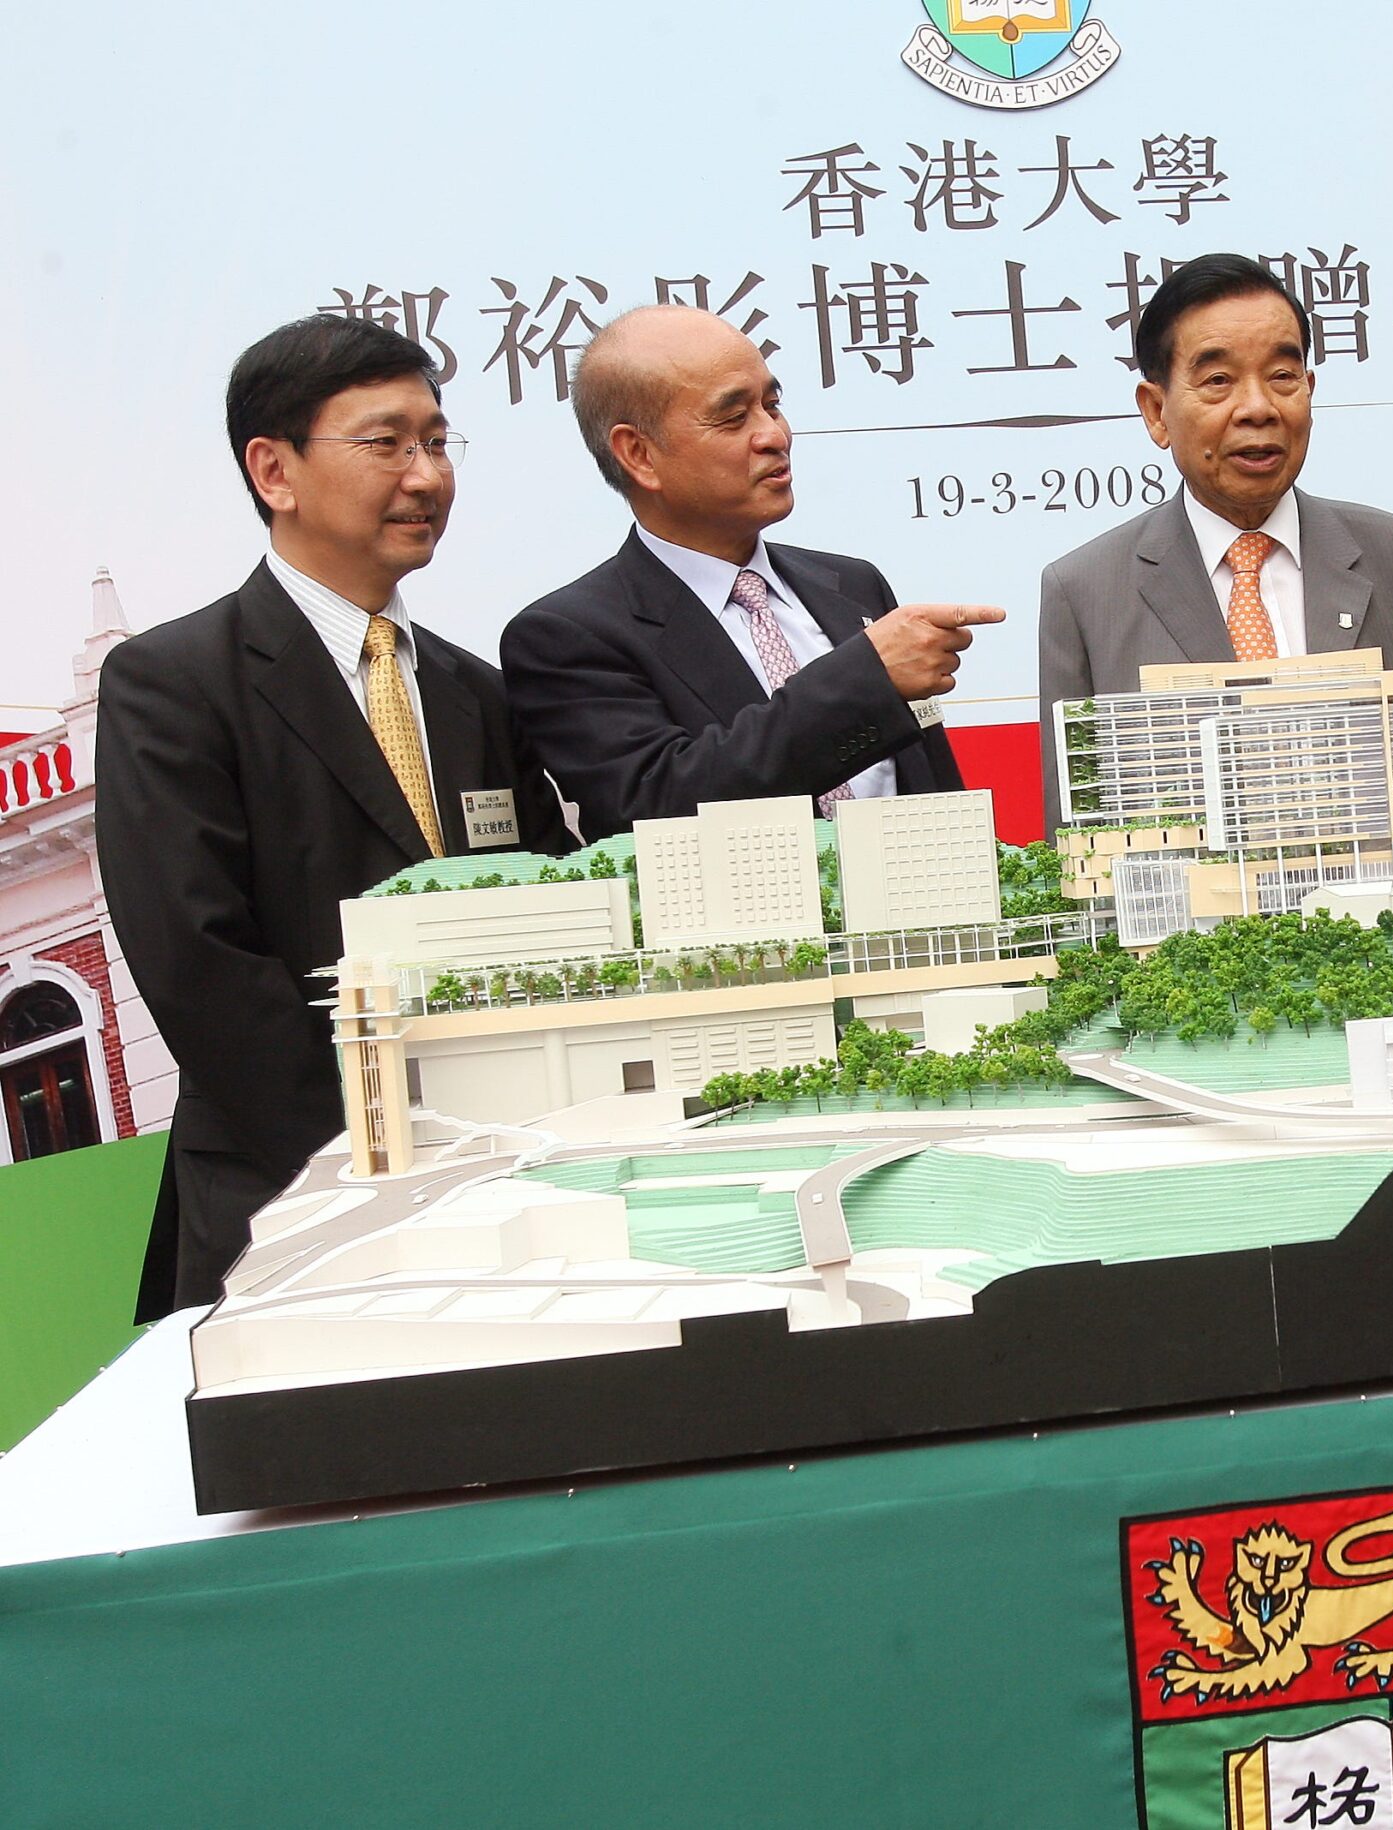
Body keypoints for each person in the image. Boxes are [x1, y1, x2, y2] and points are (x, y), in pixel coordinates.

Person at [96, 316, 571, 1320]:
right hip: (293, 1206)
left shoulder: (473, 691)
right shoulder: (174, 683)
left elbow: (549, 904)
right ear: (274, 471)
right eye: (386, 442)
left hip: (510, 1190)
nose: (426, 475)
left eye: (438, 442)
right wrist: (383, 1160)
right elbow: (198, 960)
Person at [502, 306, 999, 841]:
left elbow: (932, 795)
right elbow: (659, 809)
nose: (773, 435)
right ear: (639, 454)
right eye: (734, 417)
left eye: (773, 405)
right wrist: (863, 682)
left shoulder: (853, 585)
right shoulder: (567, 636)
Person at [1036, 253, 1393, 826]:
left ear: (1309, 390)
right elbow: (1077, 840)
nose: (1258, 407)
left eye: (1282, 376)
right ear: (1156, 411)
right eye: (1218, 381)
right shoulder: (1085, 594)